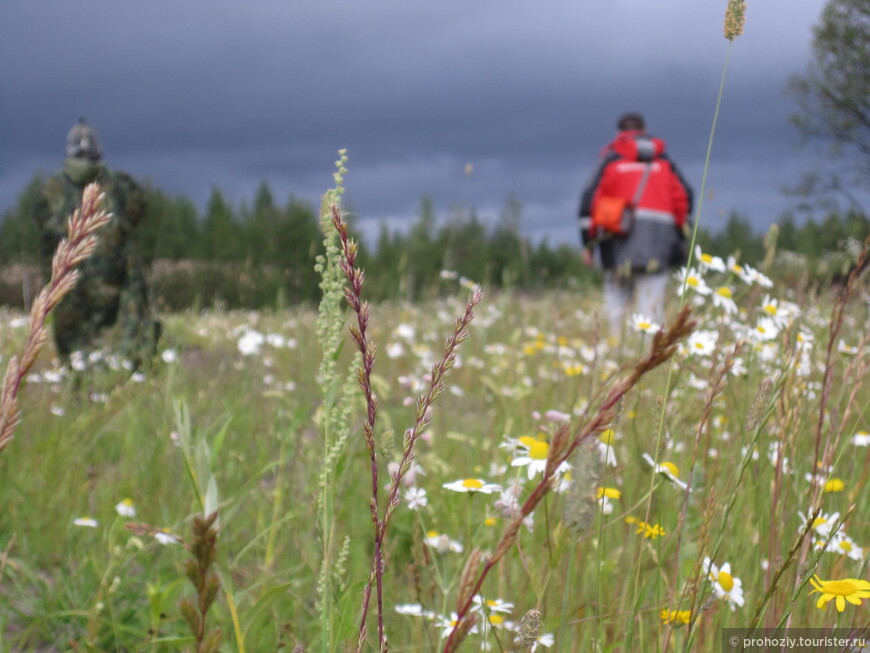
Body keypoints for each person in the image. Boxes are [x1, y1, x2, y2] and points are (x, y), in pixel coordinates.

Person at [33, 118, 160, 369]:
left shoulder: (52, 187)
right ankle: (116, 372)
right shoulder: (119, 184)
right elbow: (137, 210)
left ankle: (78, 381)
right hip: (111, 275)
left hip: (69, 278)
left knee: (74, 347)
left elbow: (41, 221)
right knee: (112, 336)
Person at [578, 112, 693, 335]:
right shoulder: (665, 162)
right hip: (658, 245)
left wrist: (588, 244)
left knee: (616, 310)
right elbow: (684, 199)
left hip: (616, 245)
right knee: (651, 311)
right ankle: (649, 358)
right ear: (645, 130)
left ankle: (617, 354)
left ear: (619, 134)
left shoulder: (610, 161)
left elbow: (588, 203)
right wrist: (680, 237)